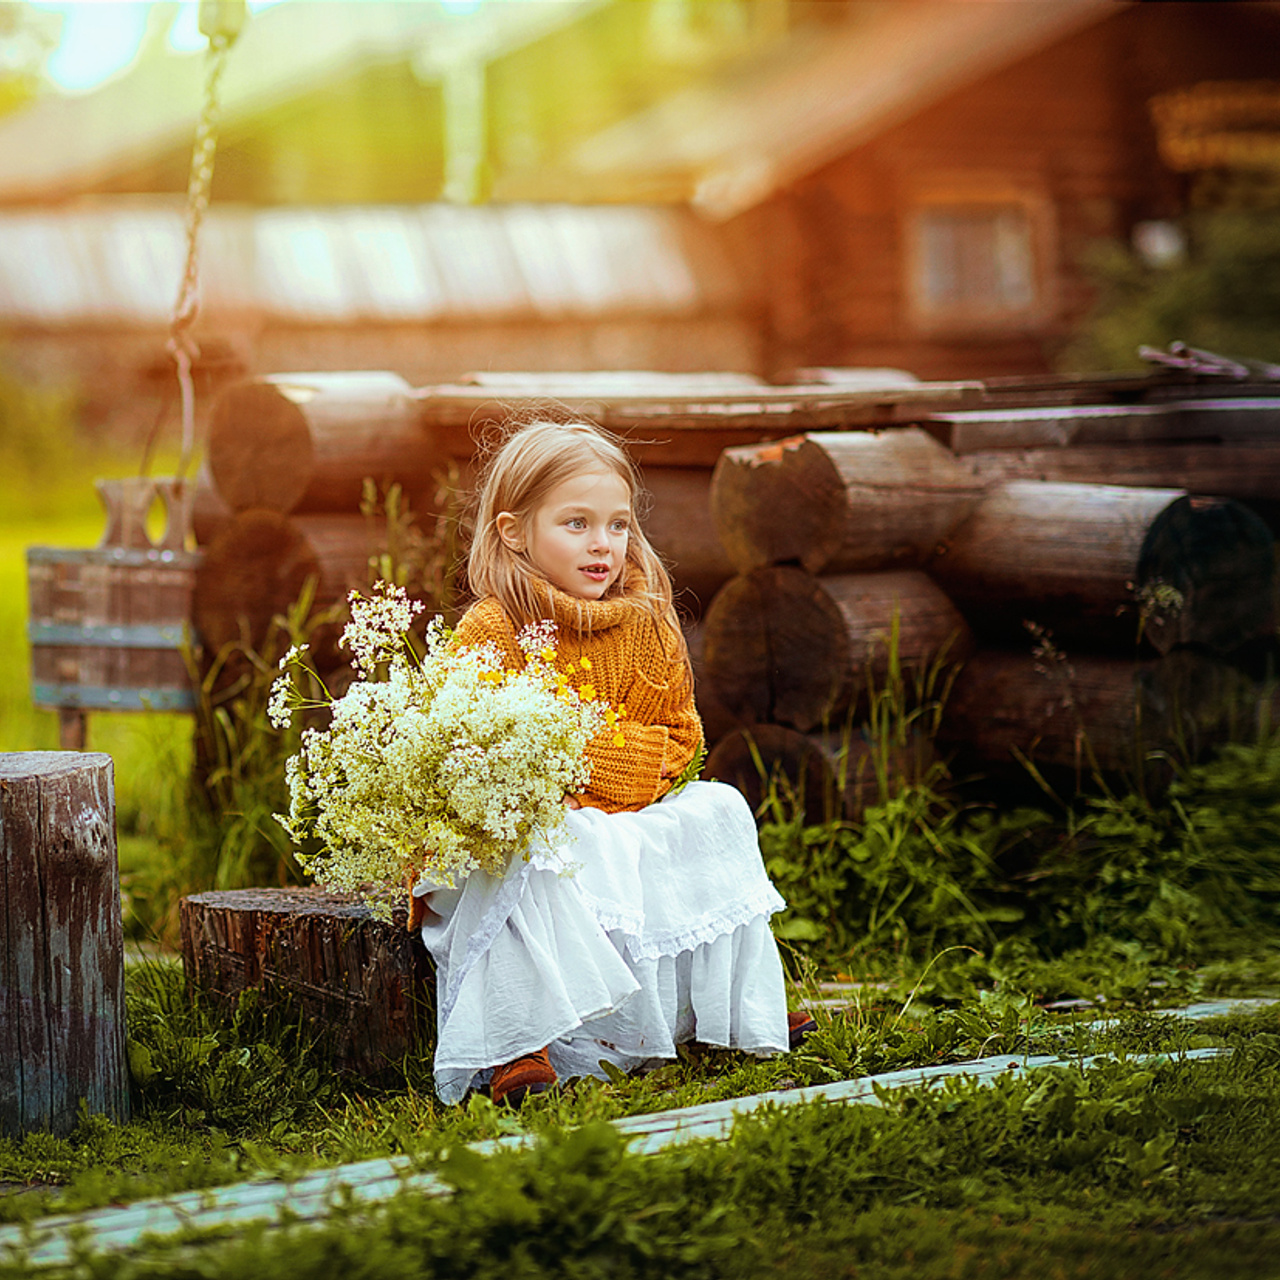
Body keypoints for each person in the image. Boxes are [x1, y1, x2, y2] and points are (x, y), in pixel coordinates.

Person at [410, 419, 809, 1106]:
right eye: (577, 524)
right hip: (525, 827)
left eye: (618, 525)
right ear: (513, 531)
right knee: (531, 846)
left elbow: (678, 740)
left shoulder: (646, 622)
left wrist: (570, 756)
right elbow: (475, 755)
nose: (603, 544)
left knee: (720, 808)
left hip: (616, 818)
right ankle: (519, 1042)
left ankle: (727, 1013)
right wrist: (570, 760)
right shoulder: (492, 629)